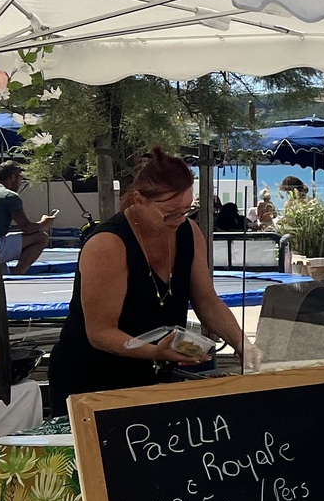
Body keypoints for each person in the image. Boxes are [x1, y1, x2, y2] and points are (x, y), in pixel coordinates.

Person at [48, 148, 248, 401]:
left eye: (186, 210)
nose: (178, 219)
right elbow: (100, 332)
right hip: (92, 377)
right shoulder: (108, 243)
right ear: (139, 199)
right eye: (169, 212)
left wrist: (241, 343)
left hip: (154, 374)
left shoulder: (189, 232)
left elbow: (206, 299)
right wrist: (155, 351)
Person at [0, 162, 52, 274]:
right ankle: (18, 273)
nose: (20, 183)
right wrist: (44, 223)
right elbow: (27, 228)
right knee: (41, 237)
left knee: (2, 273)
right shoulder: (10, 196)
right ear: (13, 177)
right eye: (21, 179)